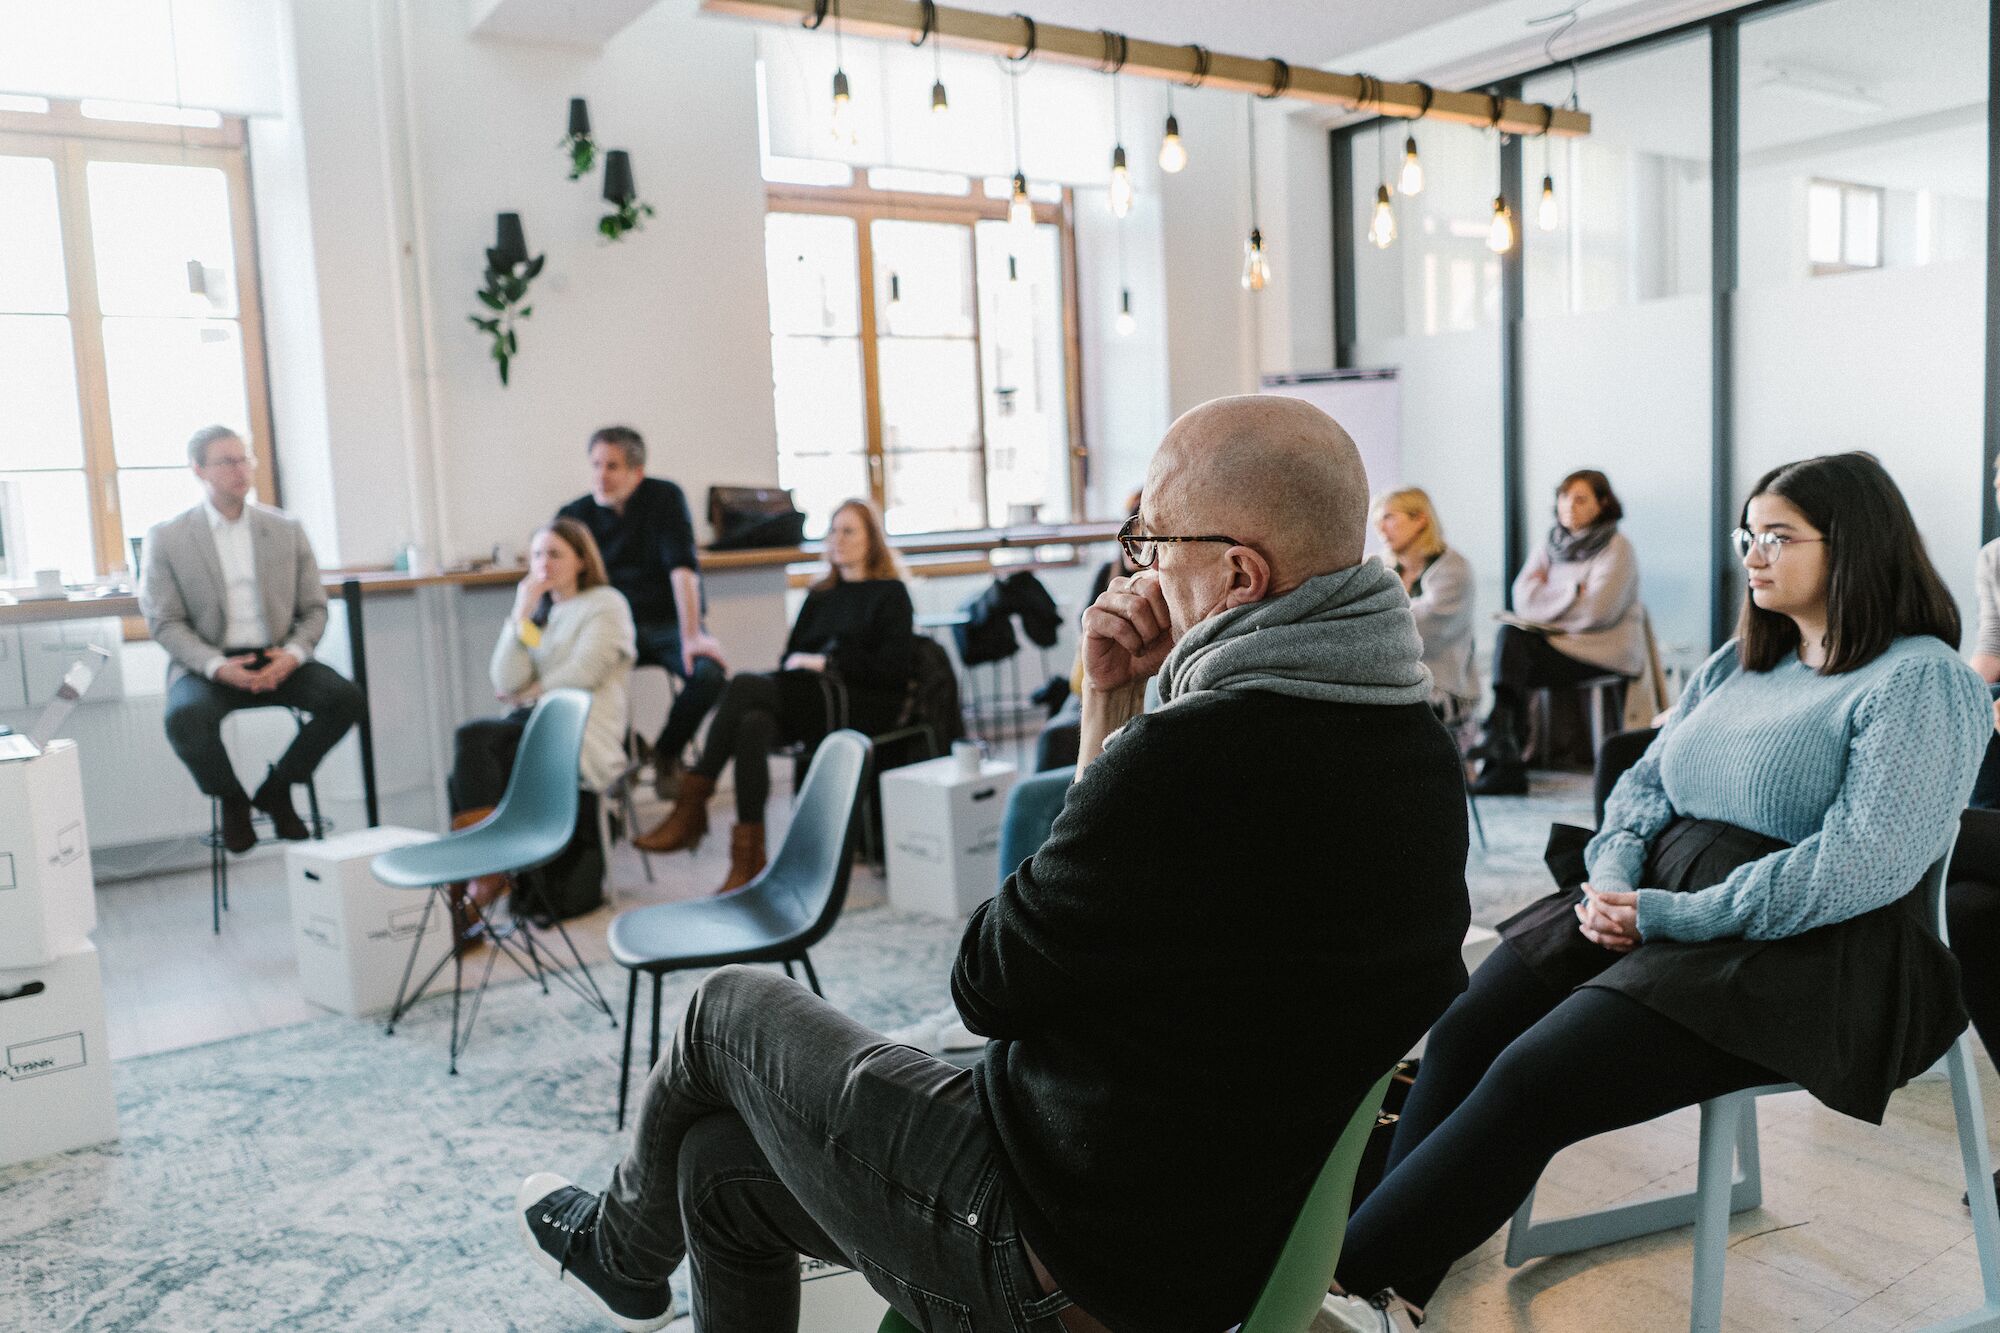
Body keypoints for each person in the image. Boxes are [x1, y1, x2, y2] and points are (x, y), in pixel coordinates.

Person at [513, 395, 1471, 1333]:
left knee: (724, 1010)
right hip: (1211, 1235)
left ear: (1237, 578)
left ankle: (620, 1249)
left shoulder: (1199, 760)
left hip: (1066, 1257)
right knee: (717, 1166)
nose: (1133, 569)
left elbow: (990, 984)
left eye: (1151, 540)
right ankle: (632, 1245)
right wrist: (1117, 708)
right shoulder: (1414, 750)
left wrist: (1113, 730)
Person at [1331, 452, 1989, 1328]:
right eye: (1746, 534)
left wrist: (1673, 912)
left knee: (1533, 1079)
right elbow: (1645, 780)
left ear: (1856, 546)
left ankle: (1364, 1286)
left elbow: (1858, 866)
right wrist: (1612, 873)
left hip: (1803, 947)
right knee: (1459, 1034)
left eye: (1777, 536)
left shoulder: (1921, 678)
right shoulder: (1741, 657)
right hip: (1654, 896)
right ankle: (1367, 1276)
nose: (1751, 554)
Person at [635, 498, 914, 894]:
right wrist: (807, 664)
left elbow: (892, 670)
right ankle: (748, 860)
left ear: (872, 539)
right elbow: (790, 657)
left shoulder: (890, 594)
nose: (838, 539)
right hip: (813, 698)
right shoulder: (821, 595)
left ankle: (693, 803)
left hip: (861, 702)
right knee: (751, 724)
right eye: (833, 529)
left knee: (744, 684)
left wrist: (827, 662)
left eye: (849, 530)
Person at [139, 425, 363, 855]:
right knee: (184, 718)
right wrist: (217, 667)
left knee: (346, 698)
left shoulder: (285, 529)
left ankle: (278, 788)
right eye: (227, 461)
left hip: (277, 655)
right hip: (209, 663)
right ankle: (233, 800)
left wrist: (294, 656)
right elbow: (165, 622)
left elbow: (315, 608)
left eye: (245, 459)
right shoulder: (168, 537)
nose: (240, 469)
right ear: (199, 470)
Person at [557, 426, 726, 798]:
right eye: (596, 465)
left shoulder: (664, 498)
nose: (601, 476)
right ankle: (629, 749)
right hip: (611, 631)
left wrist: (693, 635)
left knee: (710, 674)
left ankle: (667, 753)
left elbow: (683, 571)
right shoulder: (576, 514)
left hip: (666, 623)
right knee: (575, 680)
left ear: (637, 471)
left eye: (612, 466)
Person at [1469, 469, 1645, 796]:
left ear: (1603, 503)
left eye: (1580, 499)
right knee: (1511, 638)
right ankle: (1504, 747)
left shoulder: (1617, 547)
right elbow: (1523, 599)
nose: (1569, 506)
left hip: (1601, 651)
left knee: (1514, 650)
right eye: (1564, 497)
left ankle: (1502, 754)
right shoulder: (1550, 543)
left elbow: (1597, 611)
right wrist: (1572, 592)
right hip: (1557, 644)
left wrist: (1551, 596)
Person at [449, 518, 636, 817]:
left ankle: (488, 858)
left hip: (581, 729)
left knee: (475, 745)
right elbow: (506, 680)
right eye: (537, 555)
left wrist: (530, 694)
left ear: (582, 561)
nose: (544, 563)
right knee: (470, 755)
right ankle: (494, 857)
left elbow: (584, 671)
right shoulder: (540, 618)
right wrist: (520, 614)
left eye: (555, 554)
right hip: (533, 723)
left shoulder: (606, 604)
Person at [1374, 487, 1478, 722]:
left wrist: (1375, 614)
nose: (1380, 528)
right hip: (1395, 681)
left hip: (1443, 687)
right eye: (1378, 521)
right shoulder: (1382, 568)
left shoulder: (1454, 569)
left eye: (1389, 517)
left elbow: (1422, 626)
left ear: (1420, 519)